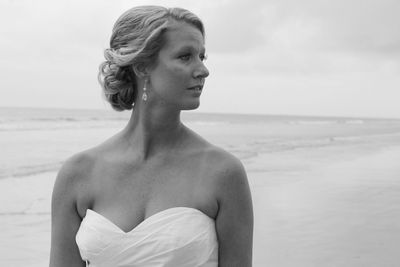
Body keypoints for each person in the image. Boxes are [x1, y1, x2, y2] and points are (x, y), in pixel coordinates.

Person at [49, 5, 253, 267]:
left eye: (202, 56)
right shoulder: (78, 174)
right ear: (142, 66)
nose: (203, 70)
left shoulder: (223, 173)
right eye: (185, 56)